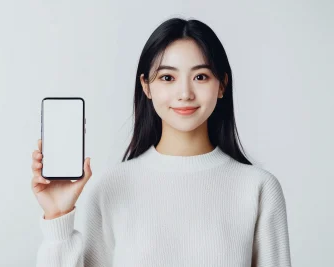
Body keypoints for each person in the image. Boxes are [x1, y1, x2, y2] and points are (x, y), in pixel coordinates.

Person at [31, 17, 292, 267]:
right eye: (168, 77)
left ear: (222, 85)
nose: (185, 93)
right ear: (146, 86)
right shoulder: (112, 187)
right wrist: (57, 218)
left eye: (200, 76)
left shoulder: (258, 188)